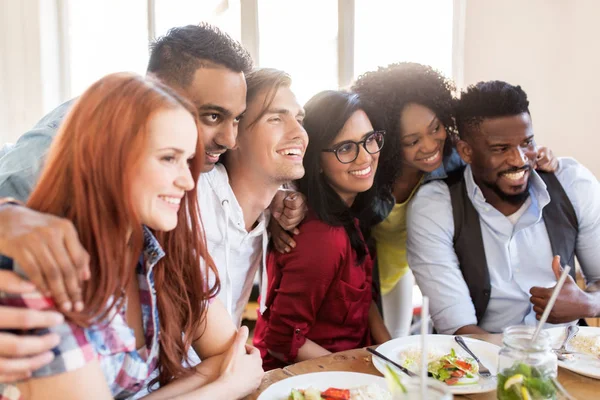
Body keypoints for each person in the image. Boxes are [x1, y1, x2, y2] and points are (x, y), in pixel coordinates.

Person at [0, 73, 263, 400]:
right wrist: (224, 387)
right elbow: (235, 374)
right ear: (106, 158)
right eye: (169, 158)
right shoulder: (42, 272)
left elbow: (234, 354)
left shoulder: (162, 249)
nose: (188, 181)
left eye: (188, 161)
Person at [271, 62, 558, 338]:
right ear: (393, 141)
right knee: (368, 344)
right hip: (360, 271)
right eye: (412, 141)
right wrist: (280, 207)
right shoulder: (367, 170)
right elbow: (309, 183)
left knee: (396, 342)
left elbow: (495, 158)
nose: (431, 146)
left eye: (435, 128)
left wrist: (537, 155)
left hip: (403, 271)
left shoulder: (452, 161)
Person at [406, 80, 600, 335]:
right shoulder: (436, 207)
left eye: (527, 143)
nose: (519, 159)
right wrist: (526, 366)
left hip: (568, 353)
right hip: (480, 361)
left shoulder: (573, 183)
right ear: (466, 151)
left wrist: (587, 304)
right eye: (501, 149)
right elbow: (458, 328)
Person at [253, 90, 391, 371]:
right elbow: (281, 340)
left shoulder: (350, 213)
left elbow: (364, 300)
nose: (364, 157)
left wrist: (394, 355)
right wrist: (361, 367)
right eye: (345, 148)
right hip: (311, 381)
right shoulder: (323, 237)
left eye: (369, 140)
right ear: (315, 161)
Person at [202, 68, 308, 327]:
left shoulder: (273, 211)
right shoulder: (191, 196)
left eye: (299, 119)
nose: (299, 133)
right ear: (233, 134)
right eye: (275, 119)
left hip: (225, 362)